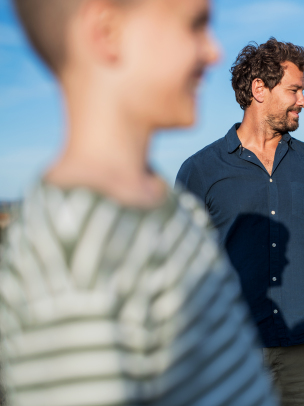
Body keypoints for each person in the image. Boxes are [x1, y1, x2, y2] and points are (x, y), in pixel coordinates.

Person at [0, 1, 276, 405]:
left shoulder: (170, 206)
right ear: (107, 32)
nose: (213, 51)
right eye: (194, 25)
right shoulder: (73, 250)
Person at [176, 38, 304, 406]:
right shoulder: (200, 171)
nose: (303, 101)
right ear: (259, 90)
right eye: (294, 90)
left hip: (302, 347)